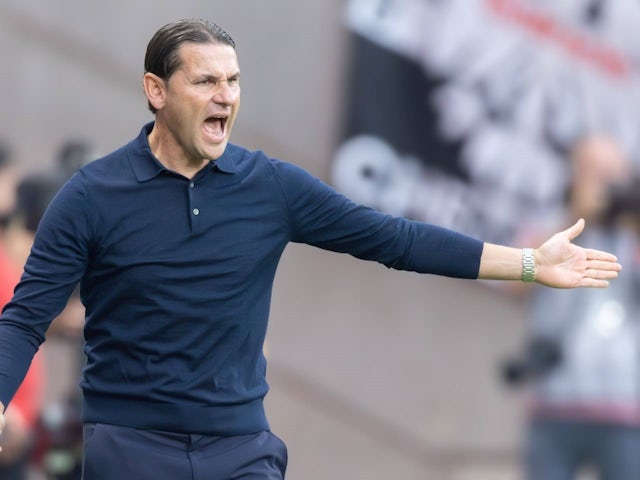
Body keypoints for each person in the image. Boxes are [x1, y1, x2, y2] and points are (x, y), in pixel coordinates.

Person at [0, 19, 621, 480]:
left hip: (240, 448)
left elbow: (395, 239)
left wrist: (533, 264)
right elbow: (26, 317)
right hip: (130, 449)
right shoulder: (92, 195)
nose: (226, 97)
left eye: (234, 81)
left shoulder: (271, 186)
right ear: (156, 91)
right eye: (206, 81)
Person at [507, 135, 640, 480]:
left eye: (613, 175)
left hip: (625, 407)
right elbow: (511, 282)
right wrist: (575, 217)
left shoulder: (632, 235)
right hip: (554, 403)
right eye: (594, 172)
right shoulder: (549, 228)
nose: (605, 185)